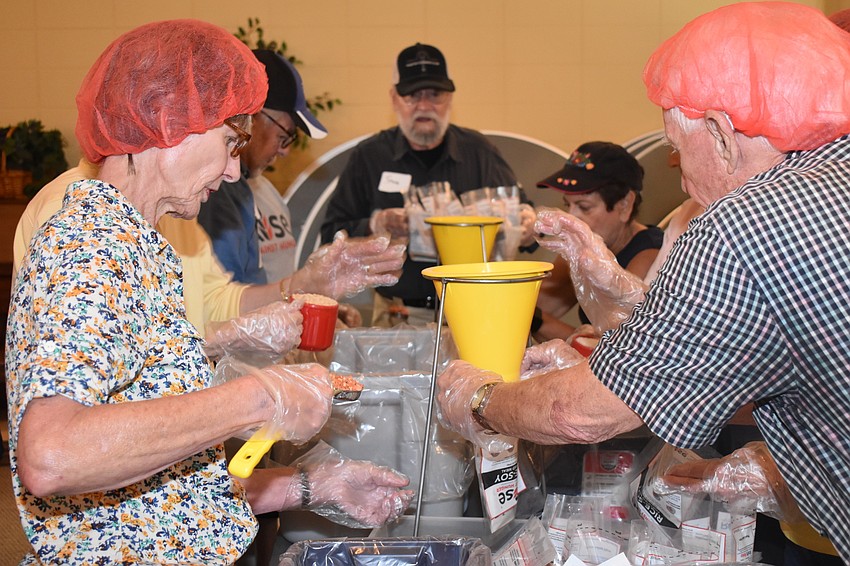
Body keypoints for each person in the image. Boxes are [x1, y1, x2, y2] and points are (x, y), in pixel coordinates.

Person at [434, 3, 850, 562]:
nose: (683, 174)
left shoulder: (747, 224)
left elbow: (583, 412)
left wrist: (481, 399)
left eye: (677, 152)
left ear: (723, 133)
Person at [6, 20, 413, 564]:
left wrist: (313, 486)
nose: (230, 171)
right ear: (166, 121)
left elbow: (155, 485)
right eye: (228, 143)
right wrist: (259, 397)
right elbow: (52, 454)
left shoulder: (141, 241)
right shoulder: (90, 244)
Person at [320, 42, 537, 326]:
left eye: (434, 94)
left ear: (450, 98)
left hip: (477, 313)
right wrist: (376, 225)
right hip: (397, 319)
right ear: (394, 98)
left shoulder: (479, 152)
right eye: (412, 95)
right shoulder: (370, 156)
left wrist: (529, 225)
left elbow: (527, 222)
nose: (424, 106)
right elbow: (330, 235)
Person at [531, 141, 663, 342]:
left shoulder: (651, 253)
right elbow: (536, 305)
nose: (571, 217)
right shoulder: (583, 248)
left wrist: (533, 318)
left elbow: (618, 343)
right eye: (568, 205)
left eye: (584, 207)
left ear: (625, 205)